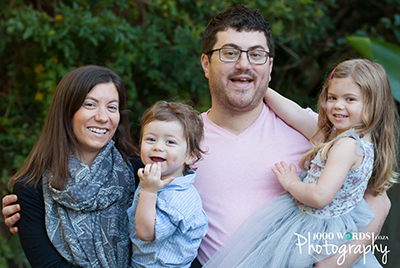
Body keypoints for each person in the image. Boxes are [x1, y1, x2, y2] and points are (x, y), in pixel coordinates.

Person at [3, 5, 391, 268]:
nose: (243, 64)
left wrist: (336, 262)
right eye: (230, 53)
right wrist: (33, 205)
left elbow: (377, 199)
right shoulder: (175, 143)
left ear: (270, 66)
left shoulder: (315, 131)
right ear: (205, 63)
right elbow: (117, 187)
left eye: (256, 54)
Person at [202, 59, 398, 267]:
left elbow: (320, 196)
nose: (338, 105)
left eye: (350, 99)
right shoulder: (352, 140)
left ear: (372, 105)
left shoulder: (345, 146)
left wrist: (292, 183)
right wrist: (262, 88)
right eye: (332, 97)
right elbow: (295, 113)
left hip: (316, 228)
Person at [6, 65, 142, 268]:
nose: (103, 117)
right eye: (90, 104)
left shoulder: (142, 173)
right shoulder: (30, 188)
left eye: (112, 107)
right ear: (67, 110)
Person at [127, 101, 208, 267]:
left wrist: (149, 192)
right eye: (150, 139)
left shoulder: (178, 198)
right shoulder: (153, 179)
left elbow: (146, 233)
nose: (157, 147)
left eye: (170, 142)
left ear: (190, 156)